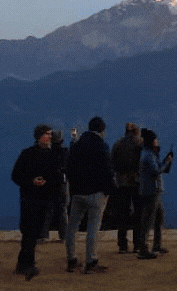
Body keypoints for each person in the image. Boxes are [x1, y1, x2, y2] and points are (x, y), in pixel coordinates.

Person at [11, 124, 62, 280]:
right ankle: (28, 265)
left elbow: (57, 177)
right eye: (47, 134)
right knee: (29, 233)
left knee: (33, 234)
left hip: (44, 200)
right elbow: (16, 175)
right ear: (39, 136)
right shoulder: (27, 154)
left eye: (50, 134)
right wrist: (32, 181)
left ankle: (23, 264)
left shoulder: (52, 155)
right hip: (29, 199)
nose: (49, 137)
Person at [65, 116, 115, 274]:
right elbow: (107, 171)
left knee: (72, 227)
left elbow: (69, 167)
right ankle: (91, 261)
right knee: (93, 228)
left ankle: (72, 259)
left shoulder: (77, 145)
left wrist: (73, 189)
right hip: (96, 194)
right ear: (102, 129)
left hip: (78, 193)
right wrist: (109, 191)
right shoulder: (102, 146)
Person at [137, 128, 174, 259]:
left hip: (153, 191)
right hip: (151, 191)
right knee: (148, 220)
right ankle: (144, 248)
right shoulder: (148, 155)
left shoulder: (149, 153)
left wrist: (165, 162)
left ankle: (156, 244)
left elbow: (159, 168)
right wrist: (167, 163)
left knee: (158, 218)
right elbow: (156, 171)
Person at [110, 122, 143, 253]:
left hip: (122, 182)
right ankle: (138, 244)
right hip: (137, 182)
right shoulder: (140, 143)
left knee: (122, 213)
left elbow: (111, 161)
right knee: (138, 214)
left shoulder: (118, 143)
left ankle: (122, 245)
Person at [40, 129, 69, 243]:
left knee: (47, 209)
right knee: (62, 209)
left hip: (49, 184)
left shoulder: (47, 153)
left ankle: (42, 235)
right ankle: (64, 235)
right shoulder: (65, 152)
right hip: (62, 183)